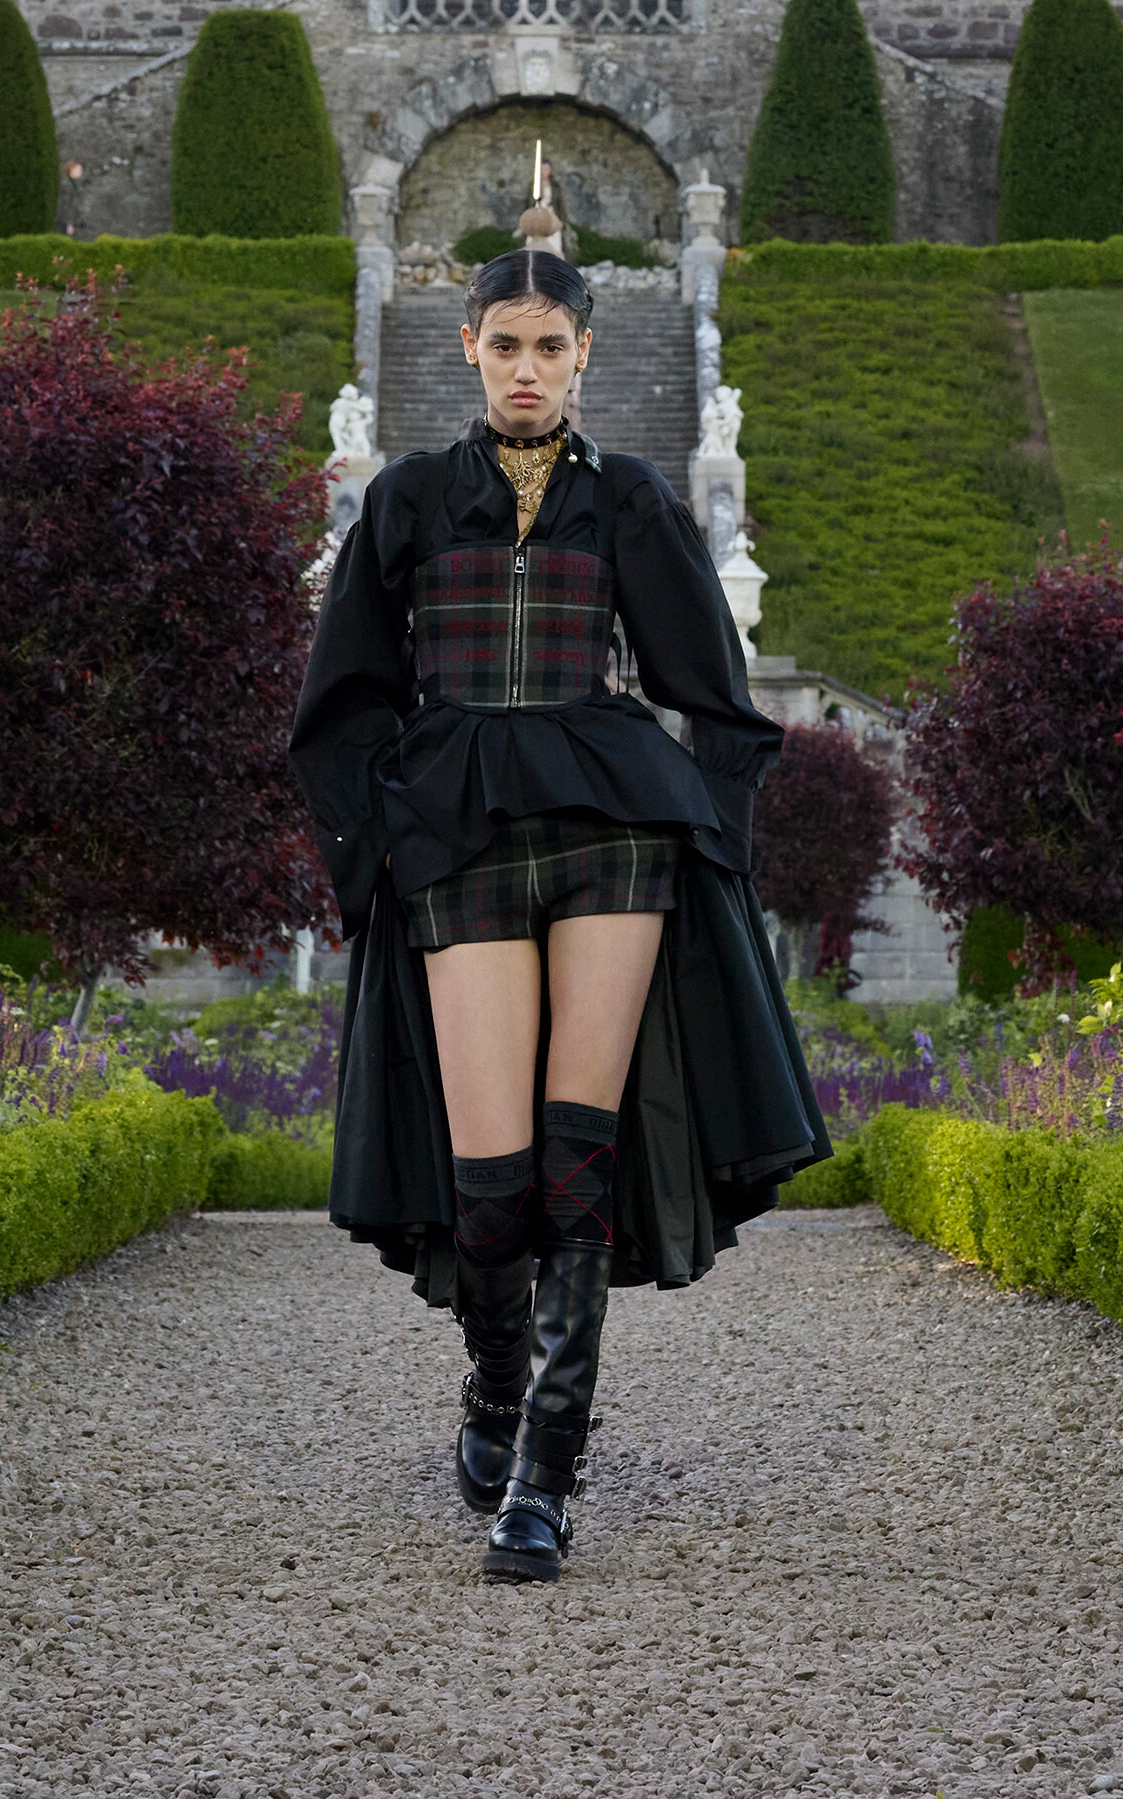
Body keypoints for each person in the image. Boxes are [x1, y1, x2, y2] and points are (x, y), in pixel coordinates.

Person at [290, 249, 830, 1585]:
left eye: (550, 348)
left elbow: (715, 693)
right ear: (469, 350)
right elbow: (346, 701)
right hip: (461, 832)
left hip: (611, 834)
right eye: (504, 347)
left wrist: (704, 830)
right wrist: (380, 844)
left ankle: (549, 1468)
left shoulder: (632, 499)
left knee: (577, 1164)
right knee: (491, 1183)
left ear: (585, 354)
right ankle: (488, 1389)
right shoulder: (413, 500)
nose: (527, 369)